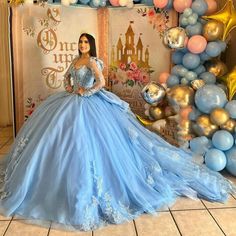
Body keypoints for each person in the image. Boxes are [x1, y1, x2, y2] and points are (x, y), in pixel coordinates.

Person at [0, 33, 235, 231]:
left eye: (85, 43)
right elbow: (66, 81)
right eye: (80, 43)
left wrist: (87, 92)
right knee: (58, 140)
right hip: (70, 101)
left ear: (90, 45)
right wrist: (71, 88)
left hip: (90, 103)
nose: (83, 46)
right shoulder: (75, 62)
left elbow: (101, 82)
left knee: (95, 143)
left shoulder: (93, 62)